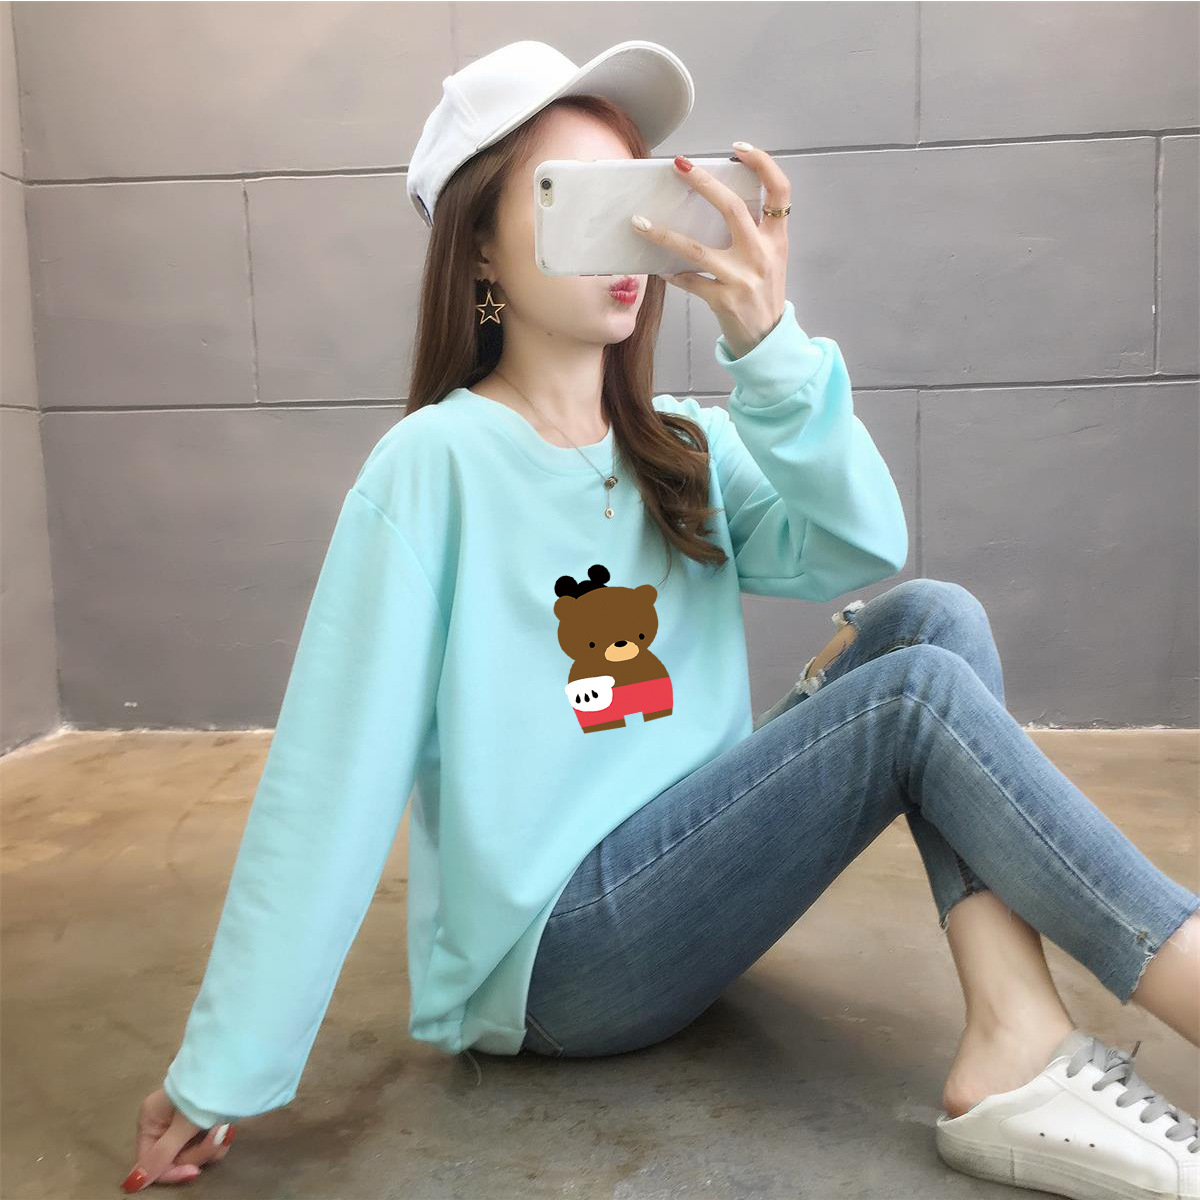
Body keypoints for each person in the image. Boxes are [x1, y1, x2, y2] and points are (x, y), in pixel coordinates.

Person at [123, 39, 1200, 1198]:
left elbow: (860, 545)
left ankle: (1013, 1029)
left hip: (685, 882)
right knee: (913, 700)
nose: (623, 236)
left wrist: (770, 348)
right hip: (559, 960)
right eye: (571, 198)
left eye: (634, 195)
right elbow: (331, 780)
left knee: (935, 621)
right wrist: (220, 1070)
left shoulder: (682, 444)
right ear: (478, 243)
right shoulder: (434, 466)